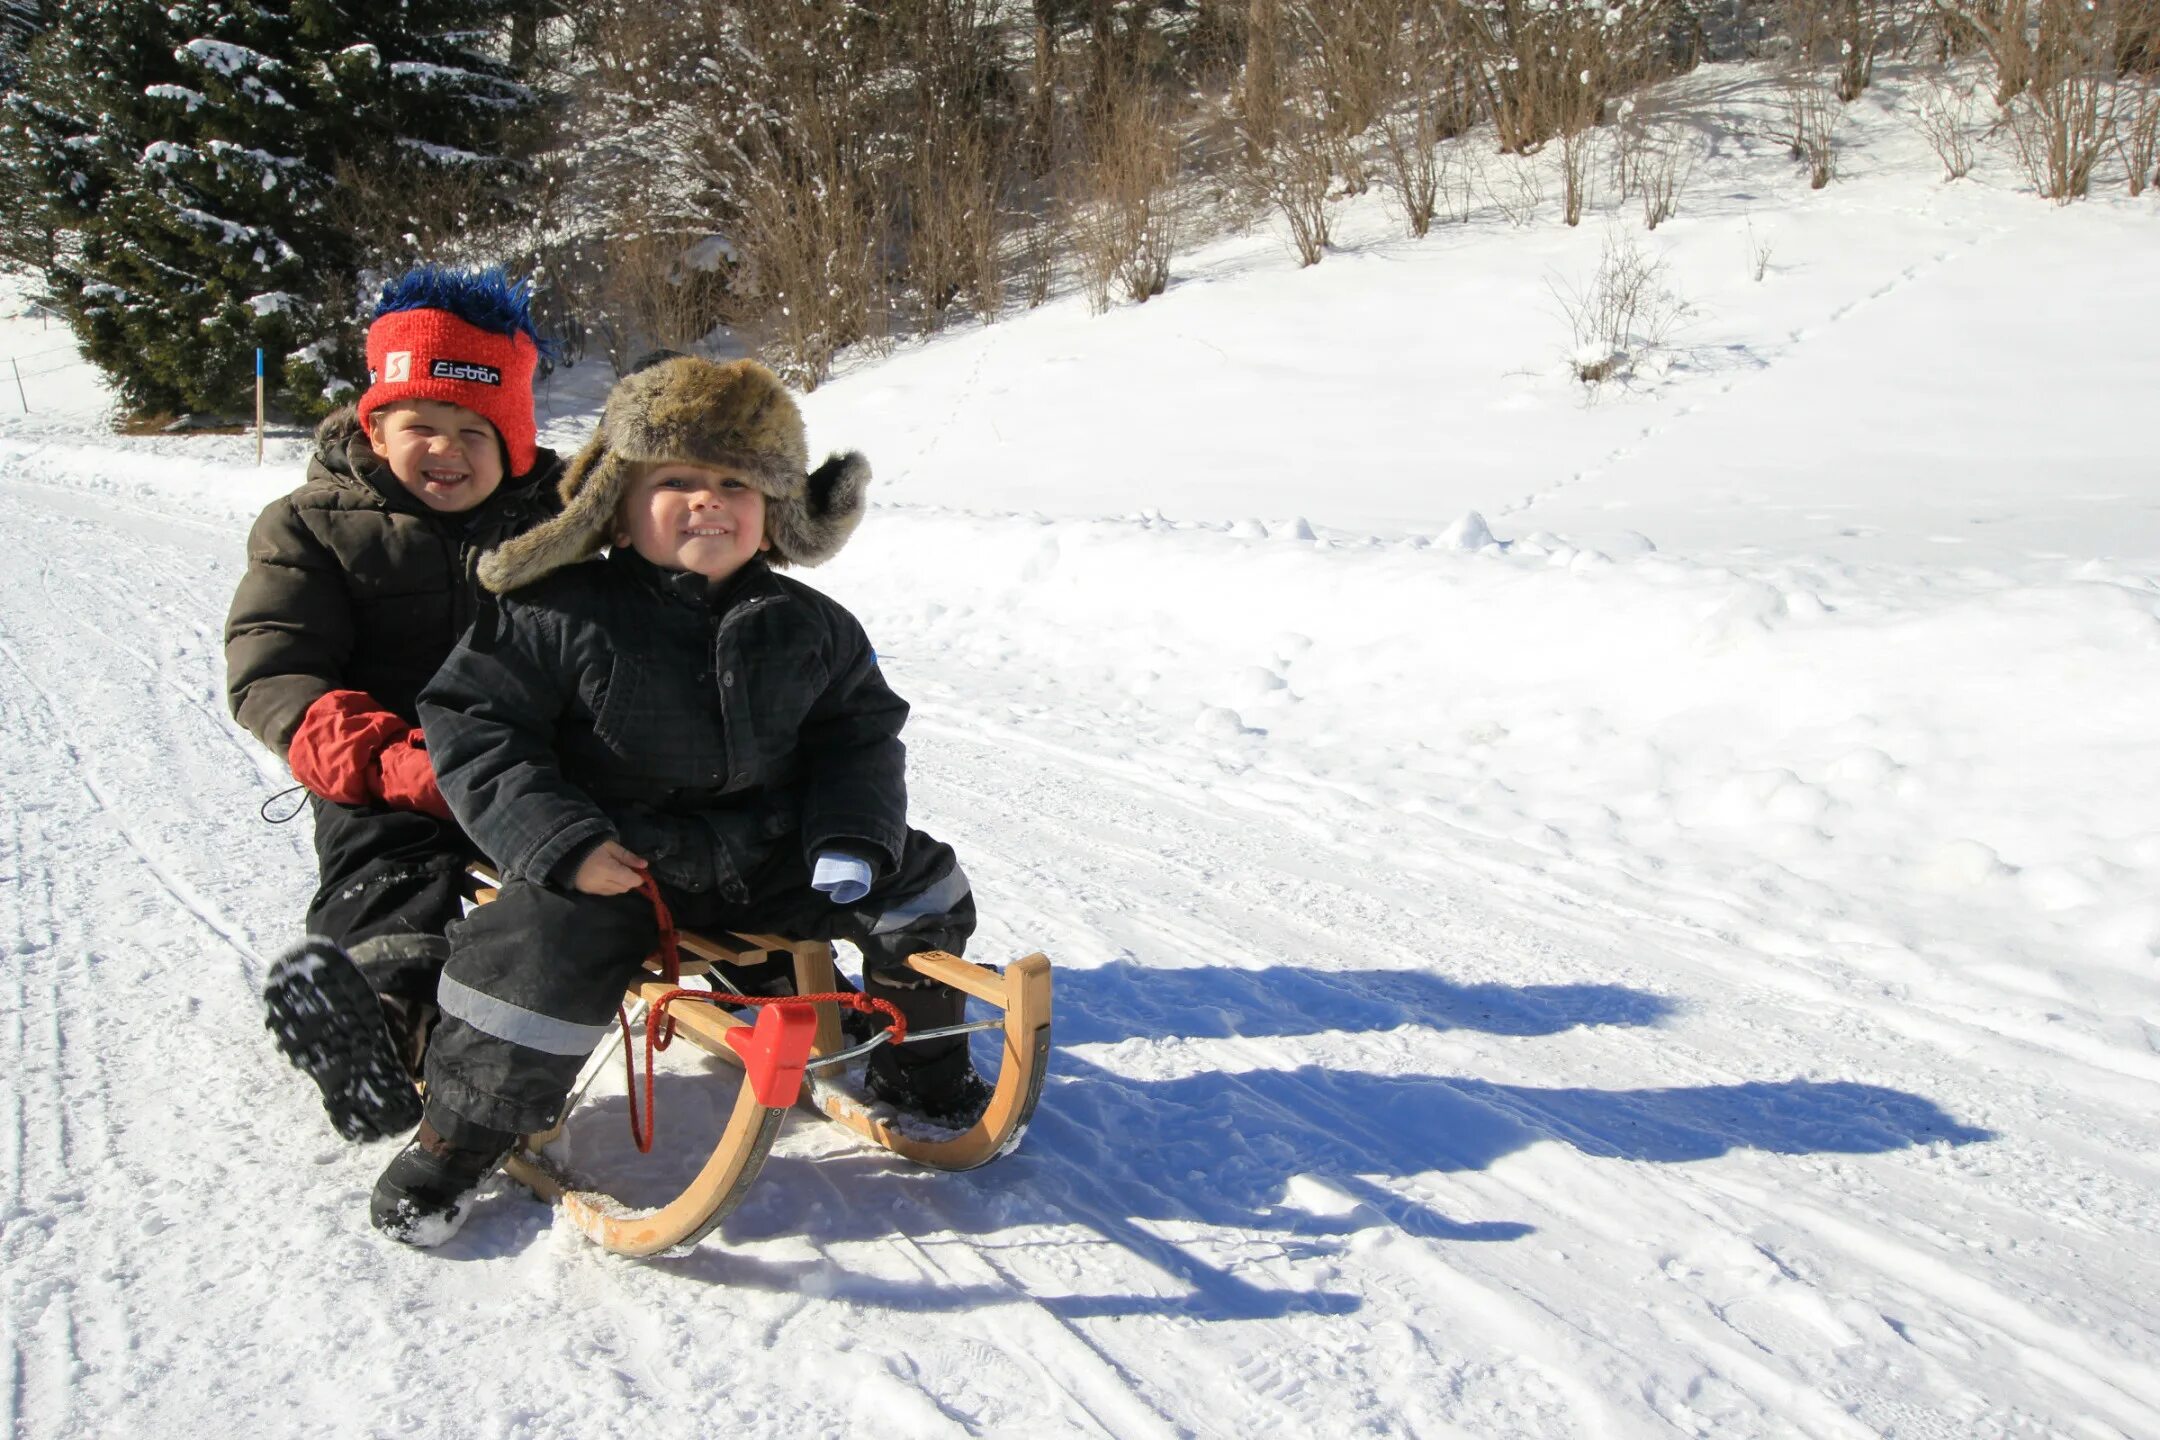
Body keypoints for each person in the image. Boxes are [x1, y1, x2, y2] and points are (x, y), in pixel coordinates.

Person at [372, 354, 985, 1244]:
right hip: (617, 864)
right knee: (532, 951)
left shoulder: (811, 625)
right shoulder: (558, 610)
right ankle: (461, 1133)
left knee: (926, 881)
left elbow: (858, 735)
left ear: (772, 512)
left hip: (772, 852)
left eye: (735, 482)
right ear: (617, 504)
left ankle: (918, 1067)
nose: (709, 501)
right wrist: (561, 842)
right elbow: (477, 724)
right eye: (677, 481)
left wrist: (854, 835)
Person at [225, 266, 563, 1143]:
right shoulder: (313, 526)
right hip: (391, 768)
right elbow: (275, 668)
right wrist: (383, 760)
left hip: (534, 764)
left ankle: (778, 984)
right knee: (389, 867)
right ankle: (376, 1023)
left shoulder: (560, 526)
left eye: (472, 431)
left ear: (516, 442)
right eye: (422, 425)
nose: (445, 449)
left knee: (659, 840)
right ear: (378, 428)